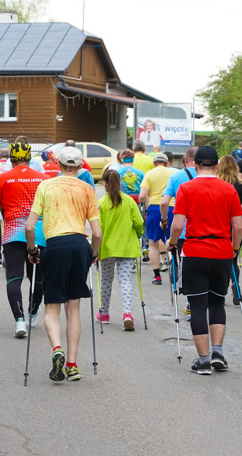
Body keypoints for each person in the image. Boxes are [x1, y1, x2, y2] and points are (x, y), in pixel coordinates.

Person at [25, 146, 102, 383]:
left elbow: (29, 227)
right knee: (73, 308)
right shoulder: (88, 189)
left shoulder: (46, 186)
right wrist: (93, 254)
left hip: (55, 245)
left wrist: (31, 250)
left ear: (58, 164)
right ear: (80, 167)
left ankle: (56, 348)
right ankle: (72, 364)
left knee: (51, 308)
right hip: (80, 245)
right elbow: (97, 233)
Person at [168, 146, 242, 375]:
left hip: (195, 250)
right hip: (221, 251)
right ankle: (218, 352)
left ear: (195, 164)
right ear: (217, 166)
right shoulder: (229, 189)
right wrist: (234, 248)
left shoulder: (186, 188)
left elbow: (178, 225)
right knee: (217, 303)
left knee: (198, 305)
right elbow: (238, 226)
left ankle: (203, 361)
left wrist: (171, 242)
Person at [0, 143, 49, 338]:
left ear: (12, 159)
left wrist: (0, 216)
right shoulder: (43, 178)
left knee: (14, 277)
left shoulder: (3, 177)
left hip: (14, 233)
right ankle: (33, 311)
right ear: (30, 158)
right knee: (38, 277)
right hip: (39, 232)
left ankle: (19, 320)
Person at [97, 169, 144, 331]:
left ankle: (104, 313)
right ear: (120, 183)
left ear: (104, 184)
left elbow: (99, 228)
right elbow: (138, 223)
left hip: (108, 248)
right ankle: (127, 313)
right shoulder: (130, 201)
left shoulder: (102, 203)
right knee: (125, 281)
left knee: (106, 281)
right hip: (127, 247)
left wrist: (95, 249)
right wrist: (138, 234)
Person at [161, 146, 198, 320]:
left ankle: (190, 299)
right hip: (204, 230)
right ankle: (200, 297)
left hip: (183, 231)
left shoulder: (176, 177)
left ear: (185, 159)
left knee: (185, 265)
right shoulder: (207, 177)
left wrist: (164, 220)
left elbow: (164, 202)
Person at [217, 155, 242, 305]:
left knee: (220, 260)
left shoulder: (216, 184)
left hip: (219, 225)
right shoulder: (240, 185)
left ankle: (221, 289)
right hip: (236, 224)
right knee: (233, 258)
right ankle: (235, 285)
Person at [140, 152, 176, 281]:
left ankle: (157, 276)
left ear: (154, 163)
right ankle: (173, 263)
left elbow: (143, 195)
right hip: (173, 208)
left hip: (155, 208)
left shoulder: (149, 174)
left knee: (153, 243)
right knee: (173, 240)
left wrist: (143, 200)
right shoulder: (174, 174)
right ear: (167, 163)